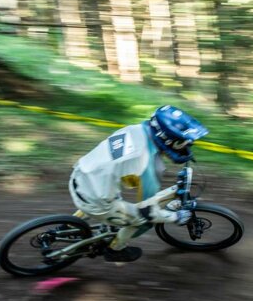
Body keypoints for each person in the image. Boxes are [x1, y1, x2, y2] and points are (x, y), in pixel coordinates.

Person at [68, 105, 209, 262]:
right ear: (169, 140)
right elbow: (147, 211)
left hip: (81, 174)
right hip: (95, 200)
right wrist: (176, 217)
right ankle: (115, 250)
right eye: (182, 142)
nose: (186, 146)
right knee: (141, 220)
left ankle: (69, 227)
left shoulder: (134, 129)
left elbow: (122, 164)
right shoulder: (148, 164)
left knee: (110, 192)